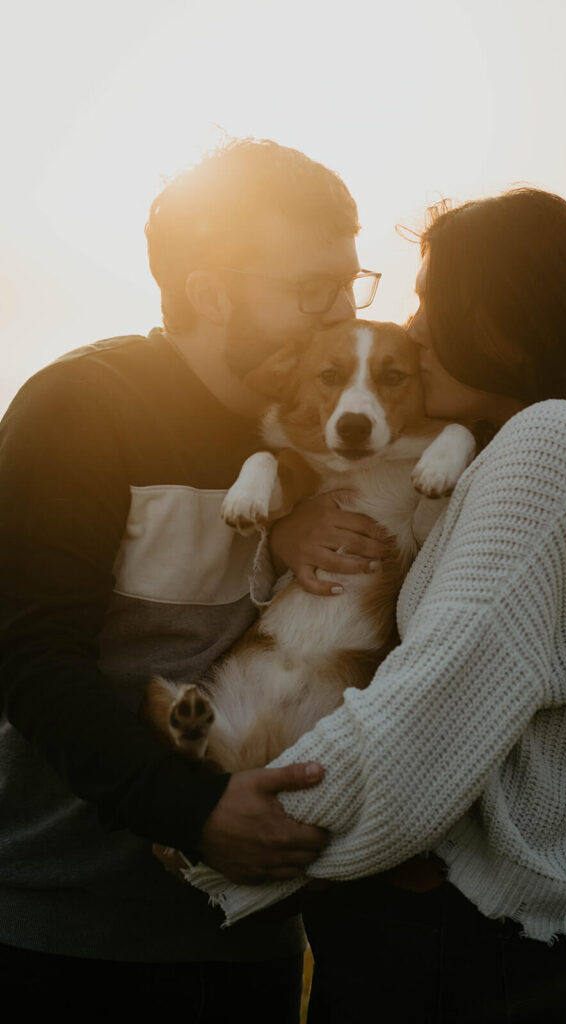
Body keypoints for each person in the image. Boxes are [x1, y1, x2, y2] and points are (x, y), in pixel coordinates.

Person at [202, 187, 566, 1022]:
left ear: (504, 318)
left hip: (443, 928)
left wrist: (227, 833)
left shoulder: (551, 443)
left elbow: (436, 697)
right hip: (460, 924)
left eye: (431, 301)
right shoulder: (532, 447)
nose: (414, 330)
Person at [0, 137, 387, 1021]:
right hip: (67, 945)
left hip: (252, 932)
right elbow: (29, 658)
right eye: (309, 290)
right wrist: (193, 812)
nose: (341, 313)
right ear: (211, 291)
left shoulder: (329, 428)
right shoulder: (79, 409)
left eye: (352, 283)